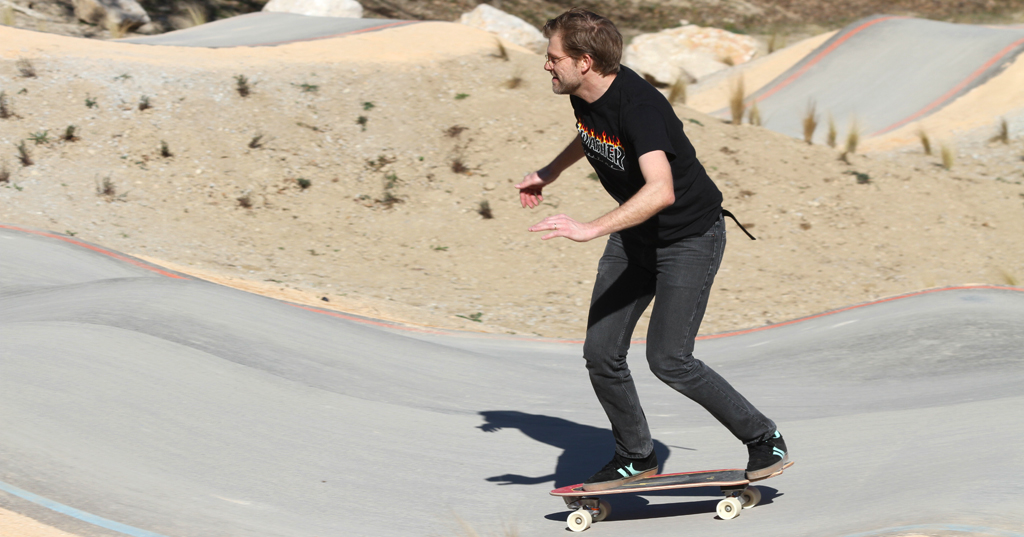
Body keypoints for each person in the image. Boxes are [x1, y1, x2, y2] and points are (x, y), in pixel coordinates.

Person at [515, 8, 789, 492]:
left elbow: (660, 189)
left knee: (669, 359)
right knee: (601, 353)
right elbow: (592, 136)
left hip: (688, 239)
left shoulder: (639, 106)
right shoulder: (585, 91)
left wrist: (590, 228)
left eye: (553, 57)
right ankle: (635, 456)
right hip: (636, 238)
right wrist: (550, 171)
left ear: (583, 60)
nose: (547, 66)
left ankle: (764, 437)